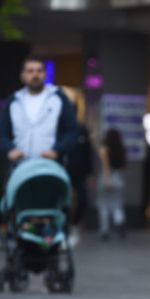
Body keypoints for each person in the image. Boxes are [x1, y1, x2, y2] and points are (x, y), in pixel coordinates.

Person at [0, 56, 78, 163]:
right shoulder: (14, 100)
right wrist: (9, 149)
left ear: (45, 74)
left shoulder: (58, 98)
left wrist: (57, 150)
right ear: (22, 76)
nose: (35, 75)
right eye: (30, 71)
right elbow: (1, 133)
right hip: (19, 165)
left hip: (51, 165)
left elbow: (72, 130)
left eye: (39, 71)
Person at [63, 87, 94, 248]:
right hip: (63, 173)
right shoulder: (61, 132)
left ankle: (74, 224)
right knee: (64, 201)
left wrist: (90, 174)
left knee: (82, 200)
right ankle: (65, 227)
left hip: (80, 173)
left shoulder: (82, 132)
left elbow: (89, 154)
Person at [97, 129, 127, 241]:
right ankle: (119, 220)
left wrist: (106, 179)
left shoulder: (104, 149)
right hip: (119, 177)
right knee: (116, 204)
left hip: (107, 176)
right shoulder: (122, 149)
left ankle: (104, 230)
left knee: (103, 205)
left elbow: (106, 166)